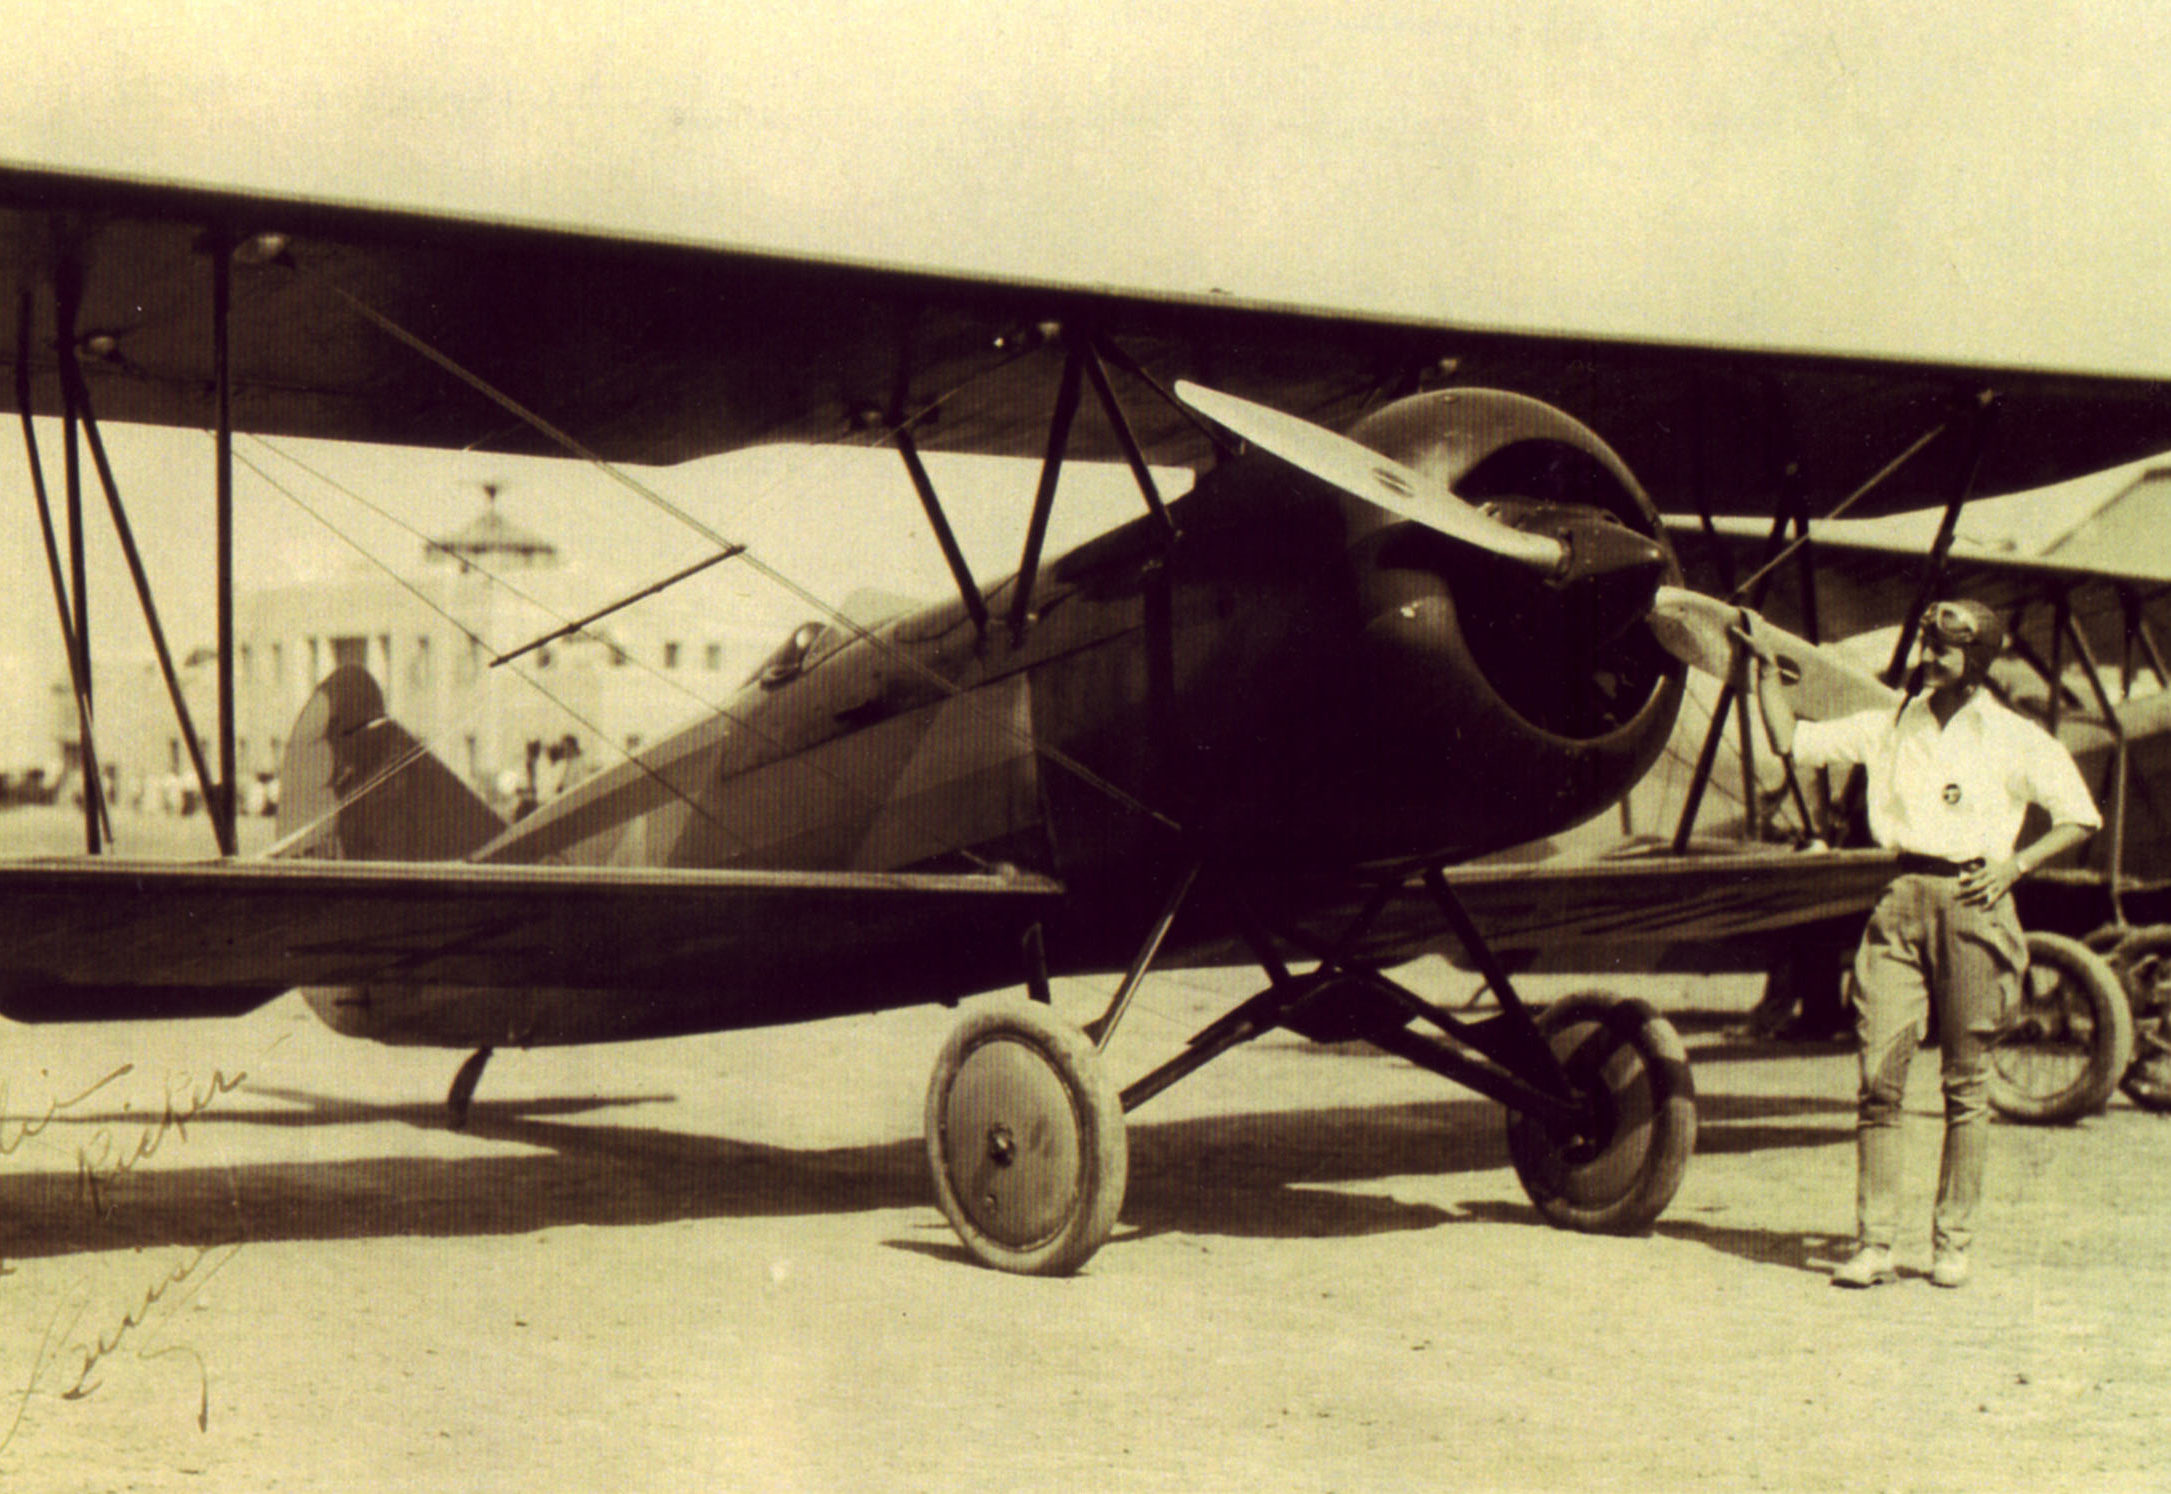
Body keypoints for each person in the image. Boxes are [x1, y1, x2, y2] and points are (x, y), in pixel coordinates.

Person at [1751, 599, 2101, 1289]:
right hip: (1900, 899)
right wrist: (1760, 674)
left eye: (1944, 650)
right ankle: (1874, 1243)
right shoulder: (1891, 723)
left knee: (1965, 1086)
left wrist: (2013, 867)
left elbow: (2077, 816)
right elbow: (1793, 743)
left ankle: (1951, 1243)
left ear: (1976, 659)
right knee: (1877, 1080)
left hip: (1975, 903)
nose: (1929, 658)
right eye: (1928, 646)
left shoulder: (2011, 735)